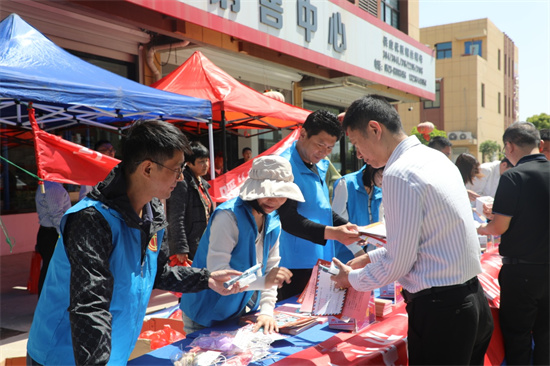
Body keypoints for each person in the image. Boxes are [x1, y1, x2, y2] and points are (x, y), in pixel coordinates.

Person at [27, 120, 241, 366]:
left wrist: (207, 278)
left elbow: (156, 273)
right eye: (176, 168)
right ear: (148, 169)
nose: (181, 178)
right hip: (64, 356)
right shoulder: (92, 219)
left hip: (113, 353)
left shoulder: (152, 213)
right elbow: (90, 306)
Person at [331, 96, 493, 365]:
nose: (358, 154)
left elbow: (399, 263)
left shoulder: (398, 173)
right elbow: (428, 239)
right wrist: (371, 257)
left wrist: (352, 279)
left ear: (375, 129)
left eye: (357, 143)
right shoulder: (436, 159)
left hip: (442, 312)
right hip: (471, 301)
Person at [180, 156, 301, 334]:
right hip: (203, 311)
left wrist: (267, 311)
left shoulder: (273, 221)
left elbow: (271, 270)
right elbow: (218, 275)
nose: (274, 201)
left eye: (281, 195)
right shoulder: (228, 217)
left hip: (237, 311)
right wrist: (264, 282)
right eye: (268, 192)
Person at [477, 122, 549, 365]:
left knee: (517, 338)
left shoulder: (513, 176)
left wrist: (478, 227)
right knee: (546, 338)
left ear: (509, 146)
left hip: (521, 272)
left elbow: (498, 228)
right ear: (540, 145)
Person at [277, 110, 360, 301]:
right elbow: (287, 219)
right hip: (294, 264)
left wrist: (345, 226)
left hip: (321, 257)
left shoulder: (320, 164)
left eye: (330, 148)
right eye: (320, 145)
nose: (323, 152)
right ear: (303, 134)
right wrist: (334, 233)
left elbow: (320, 208)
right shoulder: (285, 166)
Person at [166, 141, 214, 263]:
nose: (206, 165)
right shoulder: (182, 183)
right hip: (189, 247)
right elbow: (176, 217)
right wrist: (181, 247)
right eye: (201, 161)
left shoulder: (202, 182)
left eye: (206, 160)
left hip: (203, 243)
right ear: (189, 163)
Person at [332, 149, 383, 262]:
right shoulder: (346, 183)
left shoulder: (380, 189)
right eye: (381, 175)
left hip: (370, 252)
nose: (383, 181)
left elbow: (380, 221)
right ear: (372, 168)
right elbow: (338, 221)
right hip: (345, 253)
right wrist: (358, 252)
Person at [34, 180, 71, 296]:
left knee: (51, 268)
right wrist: (64, 234)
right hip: (52, 234)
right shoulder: (54, 187)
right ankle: (47, 301)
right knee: (51, 269)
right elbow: (56, 215)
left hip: (49, 232)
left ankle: (47, 301)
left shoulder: (47, 185)